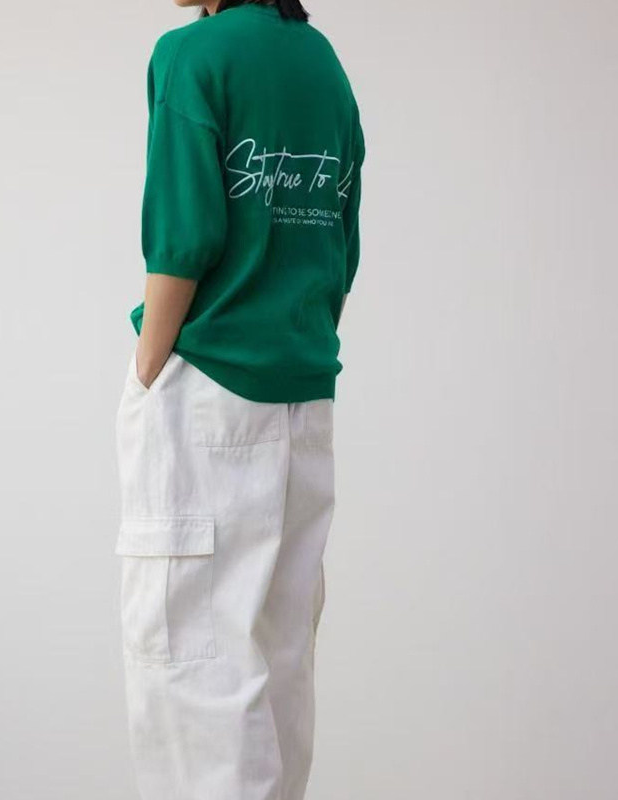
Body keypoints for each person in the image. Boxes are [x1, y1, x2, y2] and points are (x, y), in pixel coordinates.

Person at [114, 1, 364, 798]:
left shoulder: (194, 54)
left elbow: (184, 236)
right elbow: (339, 243)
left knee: (191, 667)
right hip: (302, 397)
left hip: (209, 391)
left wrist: (148, 370)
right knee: (279, 662)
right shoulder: (322, 64)